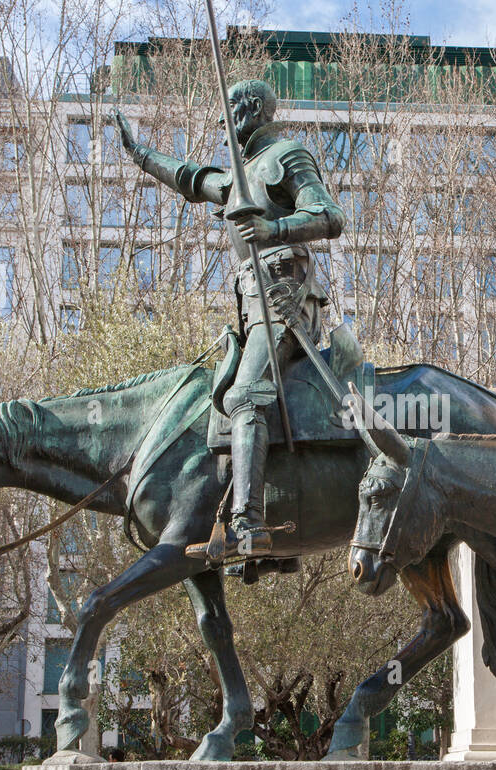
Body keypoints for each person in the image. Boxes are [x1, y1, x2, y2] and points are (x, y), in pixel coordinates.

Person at [114, 79, 344, 562]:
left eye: (233, 110)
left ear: (256, 107)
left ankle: (251, 527)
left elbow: (329, 215)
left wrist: (273, 228)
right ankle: (273, 528)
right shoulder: (239, 176)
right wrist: (140, 155)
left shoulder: (286, 154)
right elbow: (192, 179)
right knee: (223, 396)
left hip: (284, 295)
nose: (225, 121)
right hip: (251, 304)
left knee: (244, 396)